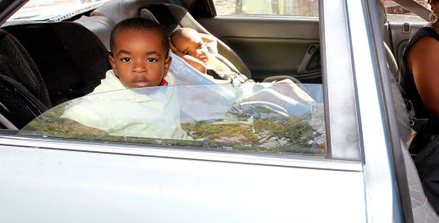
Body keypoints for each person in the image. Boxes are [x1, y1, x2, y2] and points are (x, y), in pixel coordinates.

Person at [59, 17, 189, 140]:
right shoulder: (107, 99)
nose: (139, 68)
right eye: (127, 59)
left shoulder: (169, 81)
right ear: (114, 64)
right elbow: (69, 122)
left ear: (165, 66)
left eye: (151, 60)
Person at [169, 27, 316, 115]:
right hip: (236, 100)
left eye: (199, 46)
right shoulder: (197, 70)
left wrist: (194, 39)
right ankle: (307, 116)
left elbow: (210, 40)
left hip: (248, 87)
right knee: (268, 94)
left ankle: (316, 109)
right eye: (188, 53)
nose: (198, 53)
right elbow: (195, 64)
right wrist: (174, 52)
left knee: (286, 83)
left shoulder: (211, 55)